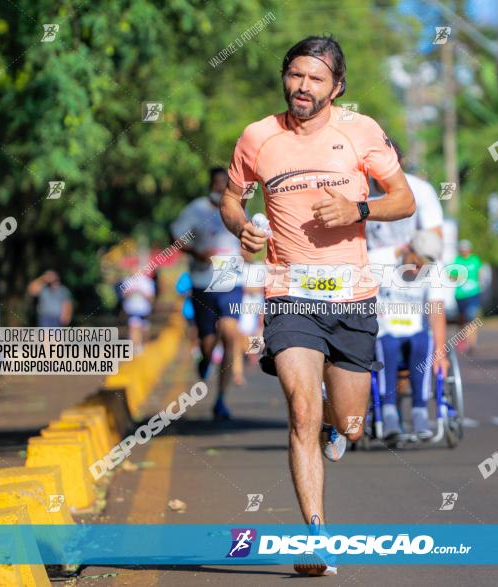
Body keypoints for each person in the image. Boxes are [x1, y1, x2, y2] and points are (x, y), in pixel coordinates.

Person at [219, 35, 416, 576]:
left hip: (351, 296)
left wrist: (357, 209)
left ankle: (341, 427)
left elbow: (404, 199)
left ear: (337, 87)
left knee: (350, 423)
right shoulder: (258, 137)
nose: (302, 87)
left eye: (315, 79)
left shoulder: (361, 131)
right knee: (301, 410)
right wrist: (244, 228)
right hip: (288, 294)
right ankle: (316, 539)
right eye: (295, 75)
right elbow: (232, 199)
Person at [171, 167, 244, 421]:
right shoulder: (197, 210)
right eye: (217, 183)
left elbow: (248, 236)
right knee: (208, 340)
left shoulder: (239, 206)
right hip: (203, 280)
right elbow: (175, 235)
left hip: (232, 280)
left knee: (230, 333)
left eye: (226, 184)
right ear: (210, 185)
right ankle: (204, 357)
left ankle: (221, 399)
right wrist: (195, 253)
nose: (220, 188)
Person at [375, 230, 449, 442]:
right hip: (383, 331)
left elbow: (437, 311)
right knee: (387, 345)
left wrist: (441, 354)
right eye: (416, 263)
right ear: (407, 249)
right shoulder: (380, 260)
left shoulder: (434, 270)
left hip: (414, 333)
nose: (418, 269)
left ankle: (420, 412)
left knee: (424, 341)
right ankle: (388, 412)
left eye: (424, 266)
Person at [452, 240, 483, 353]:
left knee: (472, 318)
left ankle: (472, 344)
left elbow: (479, 273)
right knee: (462, 319)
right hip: (460, 295)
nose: (464, 251)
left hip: (473, 293)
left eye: (466, 248)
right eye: (462, 249)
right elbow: (452, 276)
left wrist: (479, 286)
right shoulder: (457, 260)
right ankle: (462, 338)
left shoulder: (475, 260)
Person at [120, 272, 156, 352]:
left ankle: (144, 346)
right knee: (134, 327)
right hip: (132, 309)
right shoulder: (127, 280)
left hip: (144, 310)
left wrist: (142, 293)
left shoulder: (147, 281)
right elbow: (122, 295)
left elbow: (151, 298)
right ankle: (135, 348)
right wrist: (130, 292)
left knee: (144, 330)